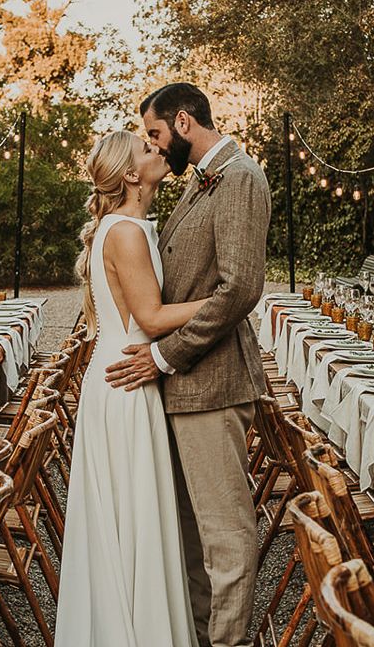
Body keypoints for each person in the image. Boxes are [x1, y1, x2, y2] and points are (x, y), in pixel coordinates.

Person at [106, 82, 270, 647]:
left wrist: (163, 355)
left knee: (225, 536)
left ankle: (228, 642)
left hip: (213, 385)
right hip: (184, 389)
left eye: (154, 133)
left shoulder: (240, 177)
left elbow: (240, 287)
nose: (153, 145)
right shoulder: (201, 181)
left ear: (182, 122)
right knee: (191, 534)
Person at [54, 129, 205, 647]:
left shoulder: (124, 227)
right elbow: (152, 316)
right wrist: (223, 301)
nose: (157, 149)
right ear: (130, 174)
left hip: (121, 375)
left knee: (133, 516)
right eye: (146, 148)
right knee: (134, 515)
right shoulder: (125, 232)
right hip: (126, 384)